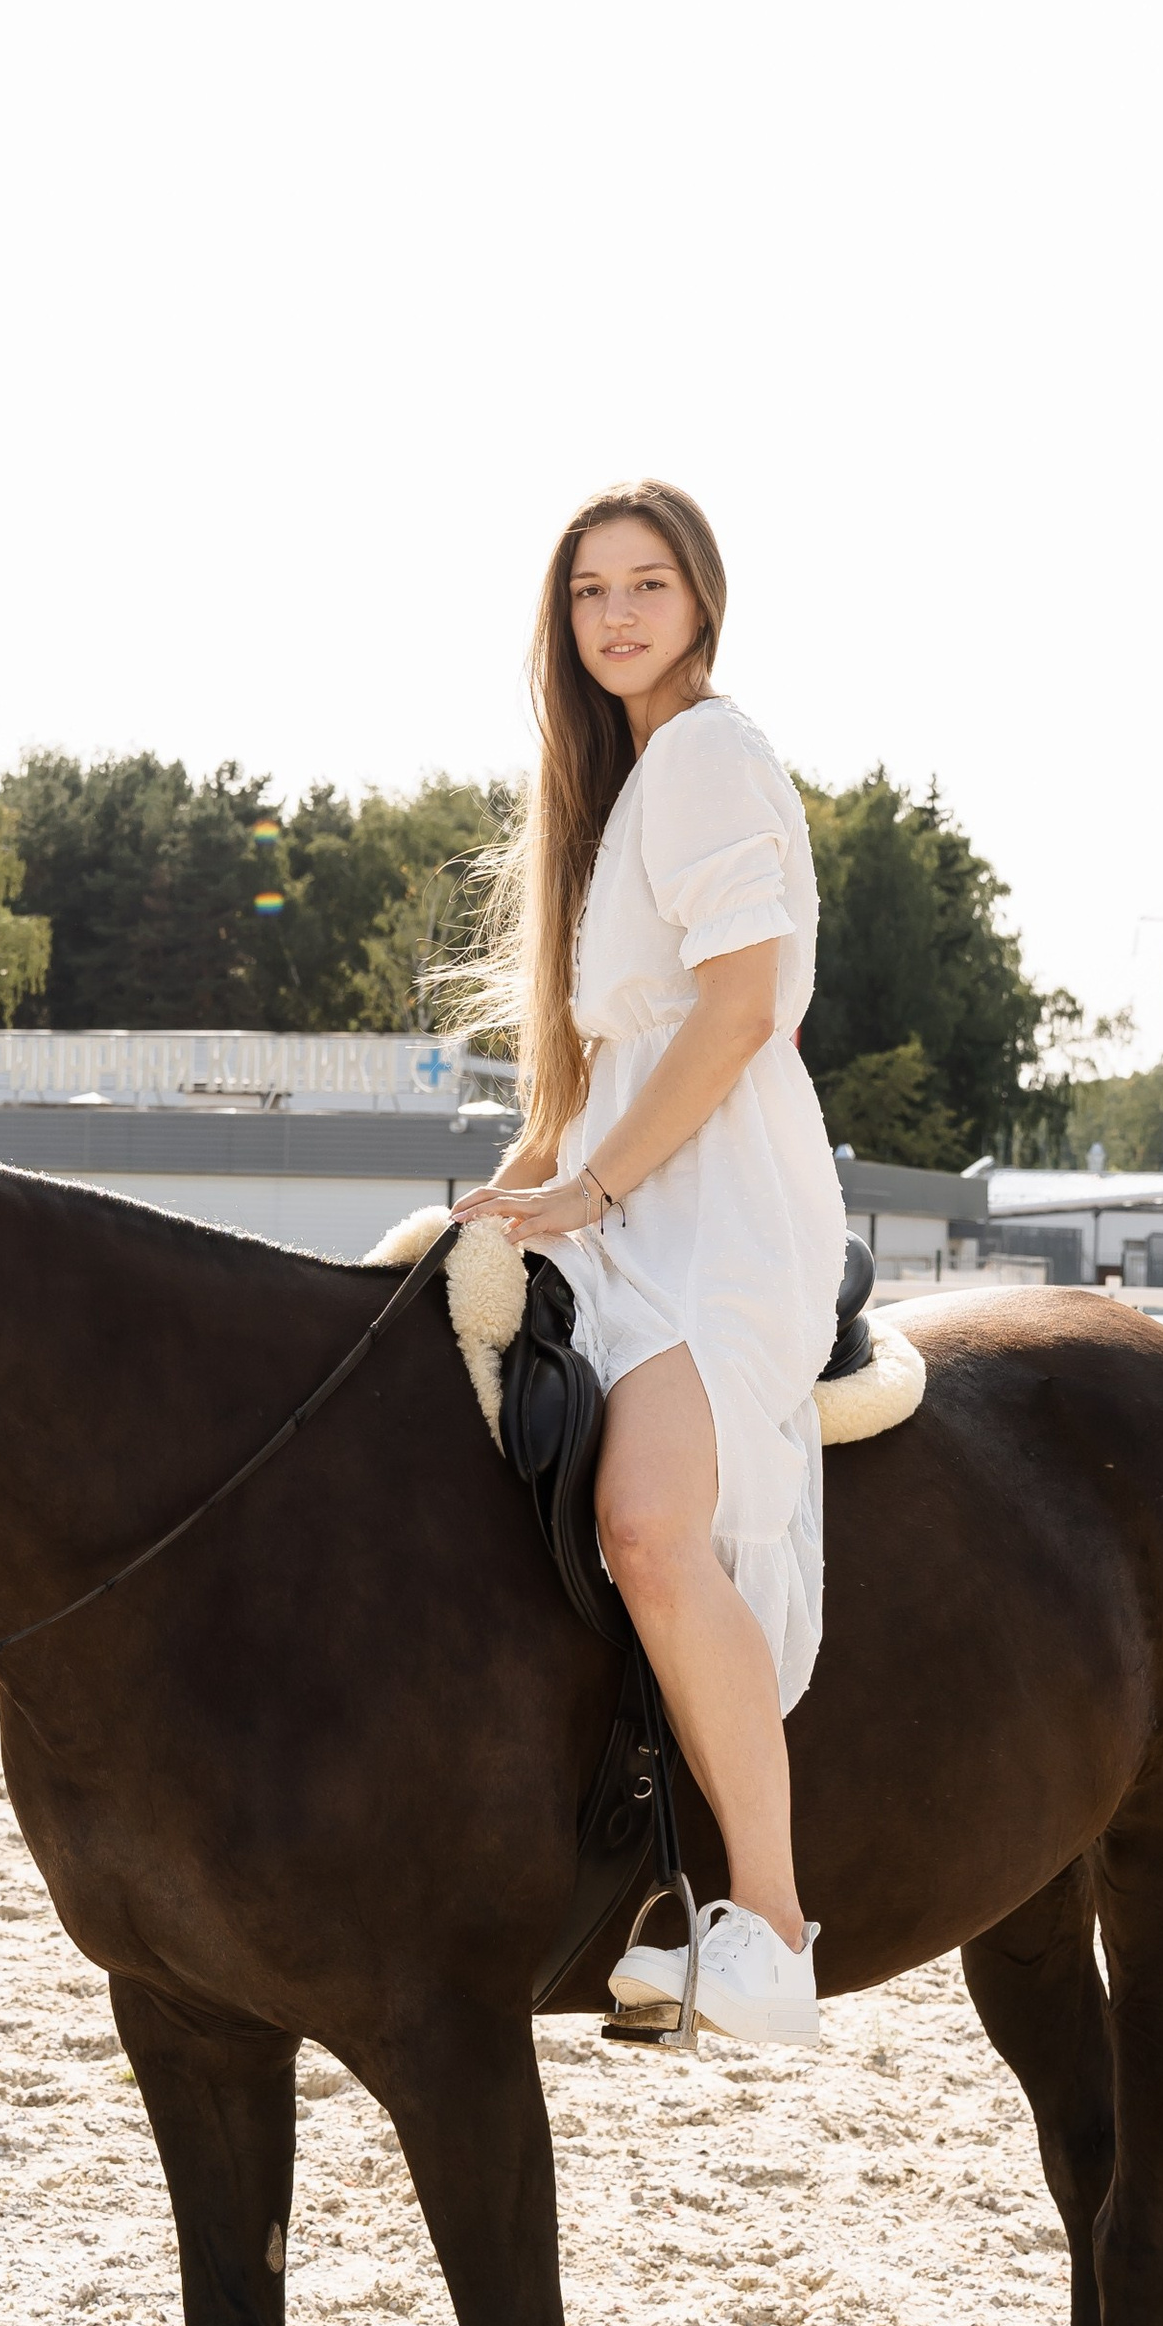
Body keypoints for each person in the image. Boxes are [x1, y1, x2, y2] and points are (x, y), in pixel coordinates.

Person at [452, 482, 849, 2046]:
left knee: (646, 1521)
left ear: (704, 599)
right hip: (630, 1181)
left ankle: (773, 1922)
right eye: (590, 593)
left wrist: (597, 1185)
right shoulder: (614, 790)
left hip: (717, 1208)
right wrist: (524, 1184)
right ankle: (631, 1865)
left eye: (649, 584)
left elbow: (743, 1009)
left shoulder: (704, 756)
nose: (617, 615)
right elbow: (600, 1062)